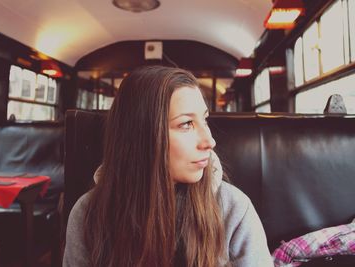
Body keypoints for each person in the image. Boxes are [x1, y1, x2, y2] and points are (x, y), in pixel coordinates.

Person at [63, 65, 273, 267]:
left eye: (205, 120)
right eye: (186, 124)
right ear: (142, 136)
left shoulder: (232, 209)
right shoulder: (88, 213)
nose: (209, 141)